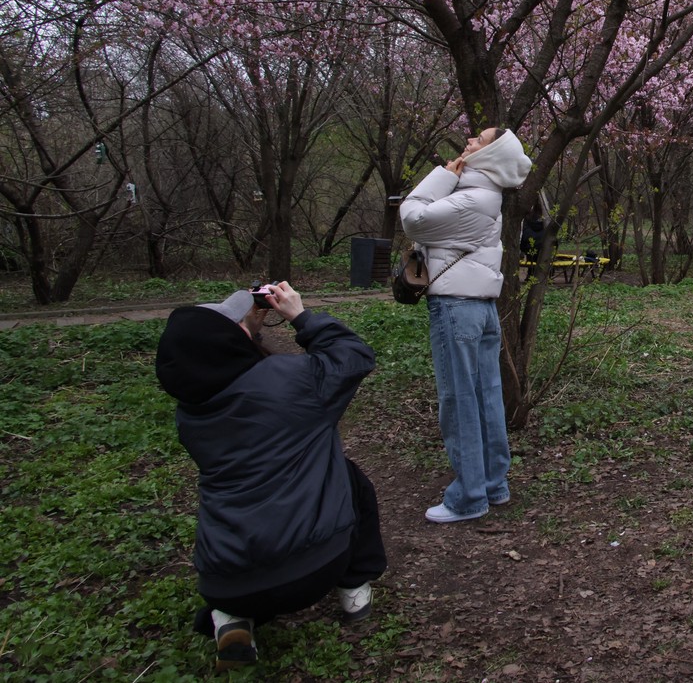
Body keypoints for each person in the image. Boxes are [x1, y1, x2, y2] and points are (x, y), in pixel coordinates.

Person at [155, 282, 386, 671]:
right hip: (316, 568)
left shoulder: (190, 415)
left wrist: (250, 329)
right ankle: (353, 589)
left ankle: (231, 619)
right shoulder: (291, 380)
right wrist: (301, 317)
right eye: (238, 325)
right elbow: (354, 355)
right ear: (230, 341)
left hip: (225, 583)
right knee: (349, 478)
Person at [399, 127, 532, 523]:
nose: (470, 141)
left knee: (459, 400)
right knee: (486, 395)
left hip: (456, 308)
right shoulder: (484, 196)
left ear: (490, 154)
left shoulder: (471, 199)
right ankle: (493, 484)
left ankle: (469, 498)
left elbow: (413, 218)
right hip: (480, 308)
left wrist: (442, 175)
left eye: (479, 140)